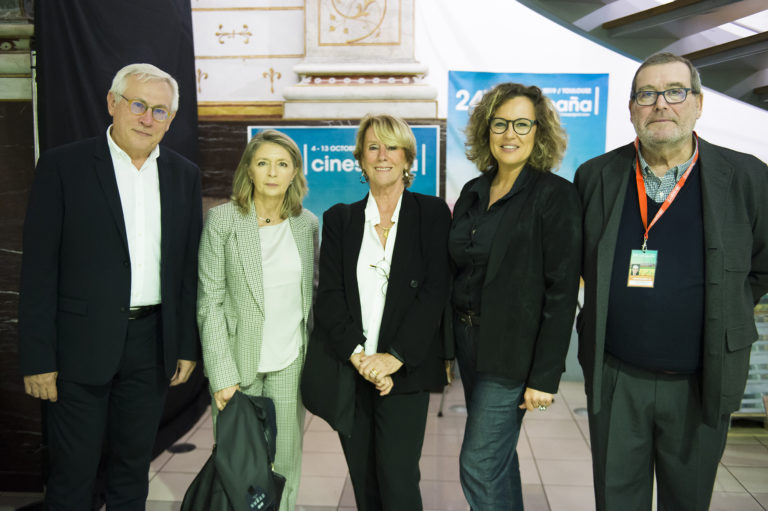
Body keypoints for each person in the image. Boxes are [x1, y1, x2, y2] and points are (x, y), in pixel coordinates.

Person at [574, 52, 768, 510]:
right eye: (647, 94)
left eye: (675, 92)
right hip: (616, 377)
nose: (660, 104)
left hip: (701, 380)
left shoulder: (746, 176)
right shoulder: (596, 176)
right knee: (617, 501)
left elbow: (762, 265)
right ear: (631, 109)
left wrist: (724, 308)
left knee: (688, 501)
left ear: (698, 103)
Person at [18, 63, 202, 510]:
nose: (147, 118)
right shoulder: (63, 166)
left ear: (171, 120)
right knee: (72, 475)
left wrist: (185, 344)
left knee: (132, 471)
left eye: (160, 111)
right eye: (138, 105)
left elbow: (185, 269)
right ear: (112, 104)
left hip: (151, 345)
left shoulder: (183, 175)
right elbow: (39, 270)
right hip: (77, 348)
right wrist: (38, 358)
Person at [450, 82, 581, 509]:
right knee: (499, 460)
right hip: (469, 341)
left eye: (522, 124)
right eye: (500, 123)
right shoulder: (473, 191)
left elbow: (562, 291)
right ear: (486, 129)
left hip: (513, 351)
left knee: (479, 462)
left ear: (539, 131)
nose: (510, 133)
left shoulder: (555, 195)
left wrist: (544, 376)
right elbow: (459, 272)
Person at [313, 114, 451, 510]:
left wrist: (393, 359)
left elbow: (435, 293)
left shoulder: (432, 213)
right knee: (364, 483)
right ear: (360, 159)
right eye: (373, 147)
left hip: (405, 372)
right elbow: (329, 297)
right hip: (351, 372)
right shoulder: (339, 219)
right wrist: (361, 360)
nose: (382, 155)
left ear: (408, 158)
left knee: (399, 482)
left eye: (392, 147)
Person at [197, 129, 317, 511]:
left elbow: (312, 296)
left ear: (295, 172)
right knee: (242, 470)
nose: (272, 172)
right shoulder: (223, 220)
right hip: (237, 365)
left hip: (290, 361)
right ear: (249, 169)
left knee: (286, 465)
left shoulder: (306, 224)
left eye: (282, 164)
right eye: (263, 162)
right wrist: (221, 375)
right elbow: (210, 302)